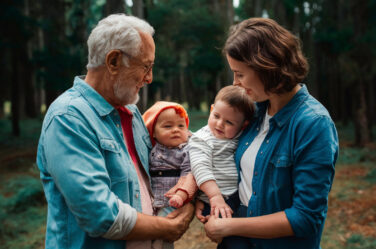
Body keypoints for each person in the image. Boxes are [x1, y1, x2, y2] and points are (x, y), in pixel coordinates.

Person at [36, 14, 193, 249]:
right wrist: (168, 227)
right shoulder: (68, 117)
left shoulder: (130, 111)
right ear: (113, 62)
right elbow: (98, 213)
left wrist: (186, 199)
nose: (150, 78)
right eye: (146, 66)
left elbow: (164, 169)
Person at [203, 17, 339, 249]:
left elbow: (305, 218)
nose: (235, 83)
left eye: (240, 74)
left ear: (266, 68)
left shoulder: (313, 124)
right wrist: (206, 201)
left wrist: (230, 226)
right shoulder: (252, 112)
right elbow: (214, 151)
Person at [189, 85, 255, 222]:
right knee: (233, 240)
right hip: (217, 199)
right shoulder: (202, 139)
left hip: (239, 196)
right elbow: (200, 169)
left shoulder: (241, 136)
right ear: (211, 109)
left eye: (229, 122)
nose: (219, 124)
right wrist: (214, 196)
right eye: (216, 116)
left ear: (243, 125)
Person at [142, 101, 198, 249]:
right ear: (153, 132)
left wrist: (181, 195)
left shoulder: (186, 150)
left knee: (163, 231)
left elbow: (188, 173)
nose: (175, 130)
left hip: (173, 200)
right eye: (168, 126)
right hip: (153, 200)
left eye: (181, 126)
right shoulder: (152, 149)